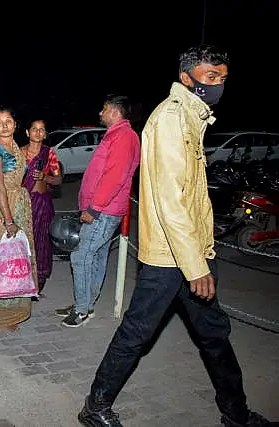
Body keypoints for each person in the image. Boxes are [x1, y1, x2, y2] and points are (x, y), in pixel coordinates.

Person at [77, 45, 276, 427]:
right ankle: (96, 407)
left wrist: (201, 256)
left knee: (215, 335)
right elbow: (172, 201)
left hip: (191, 253)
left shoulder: (191, 117)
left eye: (222, 78)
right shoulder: (171, 119)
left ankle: (236, 413)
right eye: (210, 77)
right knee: (137, 333)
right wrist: (196, 266)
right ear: (187, 78)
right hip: (170, 258)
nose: (218, 85)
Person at [56, 95, 140, 328]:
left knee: (81, 255)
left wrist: (94, 208)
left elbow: (114, 177)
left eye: (103, 109)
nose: (100, 114)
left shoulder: (123, 136)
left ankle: (82, 310)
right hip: (106, 209)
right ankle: (86, 304)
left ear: (114, 111)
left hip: (103, 210)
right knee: (97, 255)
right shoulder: (118, 135)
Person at [0, 107, 38, 331]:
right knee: (2, 258)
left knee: (20, 257)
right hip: (1, 205)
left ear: (15, 124)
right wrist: (8, 220)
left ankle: (19, 309)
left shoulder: (15, 147)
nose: (4, 125)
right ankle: (1, 315)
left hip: (19, 202)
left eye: (8, 121)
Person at [20, 119, 62, 296]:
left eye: (41, 130)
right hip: (23, 203)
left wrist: (45, 177)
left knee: (42, 241)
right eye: (34, 129)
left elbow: (58, 180)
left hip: (42, 203)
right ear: (27, 132)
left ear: (45, 134)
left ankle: (40, 279)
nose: (37, 133)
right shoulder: (19, 153)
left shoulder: (49, 154)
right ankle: (21, 279)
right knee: (23, 241)